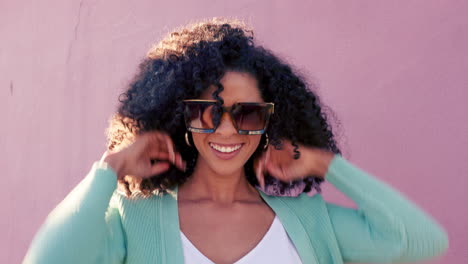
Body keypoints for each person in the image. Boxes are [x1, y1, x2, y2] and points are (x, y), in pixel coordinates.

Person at [23, 18, 448, 264]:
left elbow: (421, 240)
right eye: (207, 112)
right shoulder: (134, 220)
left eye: (247, 113)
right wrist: (112, 167)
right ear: (180, 118)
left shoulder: (311, 222)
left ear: (269, 121)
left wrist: (324, 164)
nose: (227, 131)